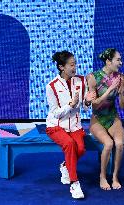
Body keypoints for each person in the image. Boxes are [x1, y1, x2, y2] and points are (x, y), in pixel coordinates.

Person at [45, 50, 96, 199]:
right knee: (69, 144)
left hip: (74, 125)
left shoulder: (81, 81)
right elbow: (55, 113)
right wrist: (70, 105)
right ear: (61, 67)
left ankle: (65, 166)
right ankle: (75, 183)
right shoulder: (51, 86)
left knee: (80, 149)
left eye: (75, 64)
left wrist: (87, 100)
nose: (75, 67)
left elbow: (86, 107)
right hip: (56, 125)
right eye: (71, 65)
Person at [87, 48, 124, 190]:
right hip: (97, 118)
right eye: (118, 60)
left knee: (120, 144)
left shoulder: (121, 77)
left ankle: (115, 176)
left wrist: (121, 93)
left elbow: (122, 106)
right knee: (108, 144)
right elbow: (95, 104)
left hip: (113, 116)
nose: (121, 63)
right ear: (108, 61)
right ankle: (102, 177)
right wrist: (110, 90)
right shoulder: (93, 77)